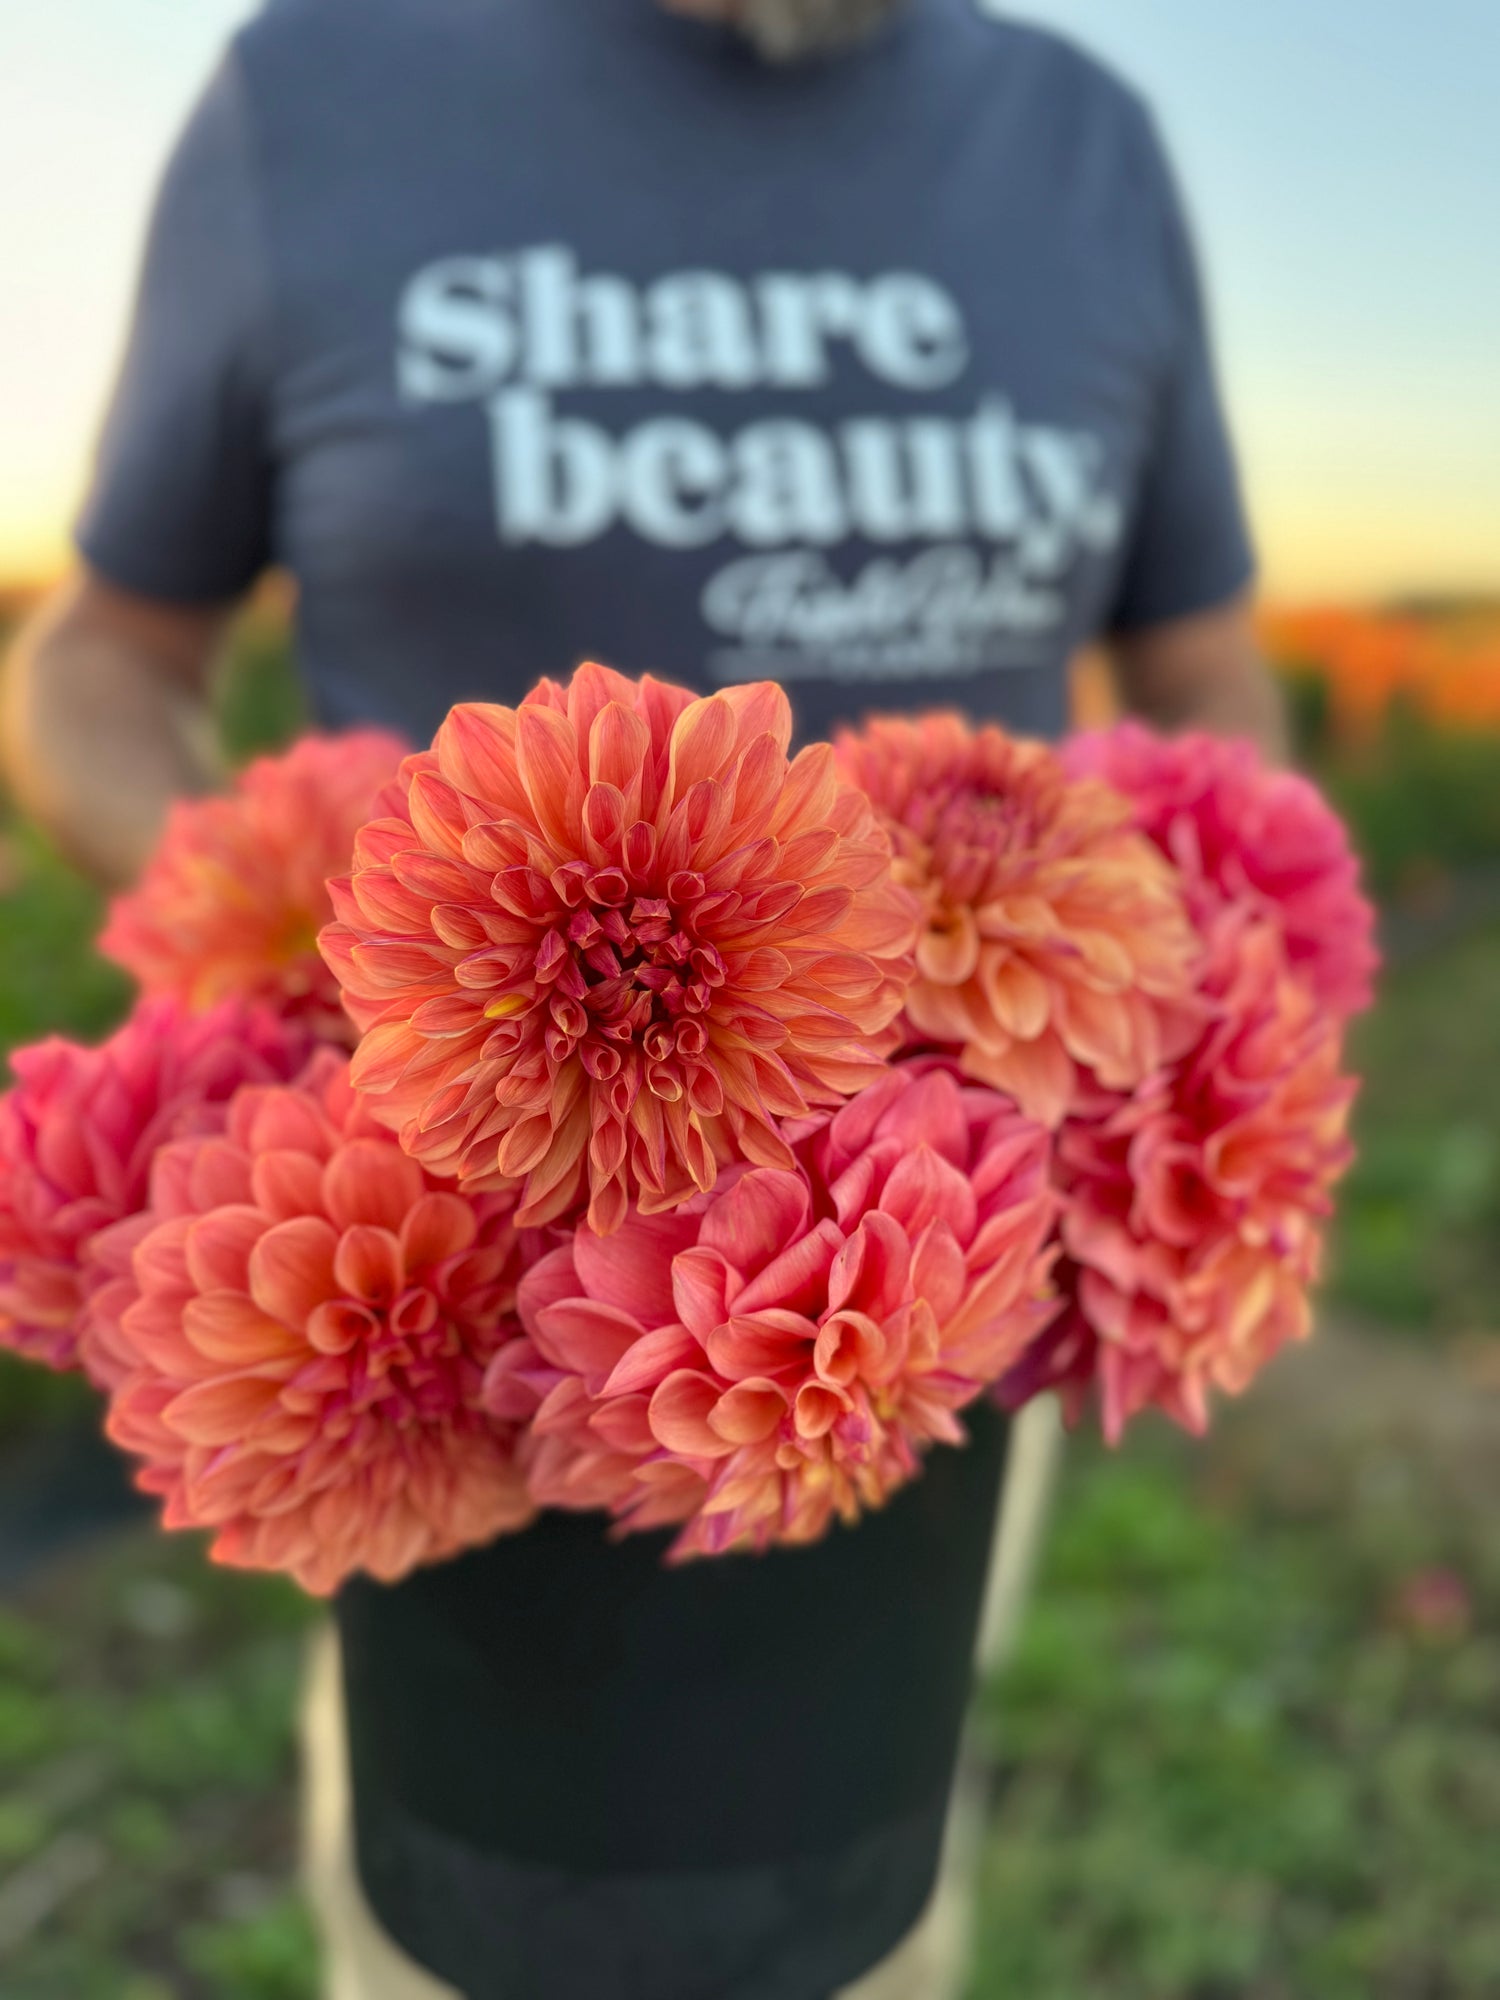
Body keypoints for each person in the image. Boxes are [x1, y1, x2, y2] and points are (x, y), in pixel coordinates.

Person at [1, 2, 1284, 1995]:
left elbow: (1211, 684)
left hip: (946, 1290)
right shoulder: (313, 95)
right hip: (440, 1217)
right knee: (460, 1926)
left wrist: (1205, 1013)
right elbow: (100, 652)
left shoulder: (1089, 143)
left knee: (874, 1890)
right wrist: (286, 924)